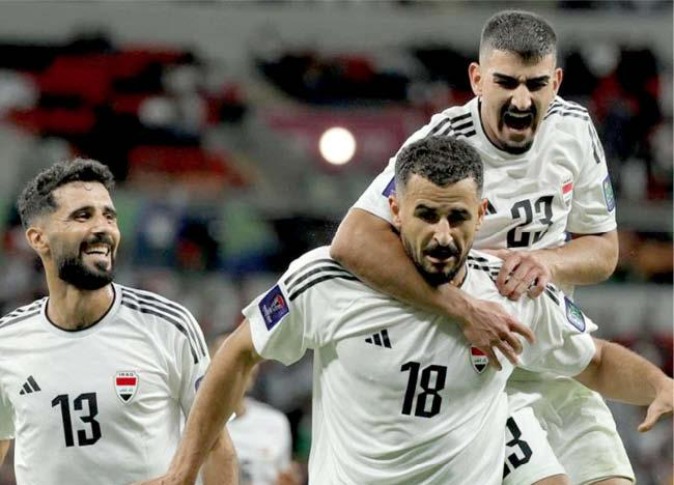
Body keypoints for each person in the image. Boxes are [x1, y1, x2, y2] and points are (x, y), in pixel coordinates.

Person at [140, 136, 672, 485]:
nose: (442, 234)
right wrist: (184, 470)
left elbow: (595, 360)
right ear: (394, 209)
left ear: (482, 214)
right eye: (426, 215)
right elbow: (238, 353)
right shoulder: (327, 279)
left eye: (458, 217)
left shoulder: (511, 290)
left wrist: (659, 385)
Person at [330, 10, 629, 485]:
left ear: (555, 82)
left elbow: (604, 250)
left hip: (551, 353)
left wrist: (547, 261)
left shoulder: (574, 128)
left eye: (535, 84)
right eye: (505, 82)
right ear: (477, 80)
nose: (521, 99)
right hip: (472, 366)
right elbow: (353, 239)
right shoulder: (441, 145)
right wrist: (462, 307)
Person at [0, 158, 236, 484]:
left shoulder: (169, 327)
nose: (103, 228)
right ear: (38, 239)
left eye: (109, 216)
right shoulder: (7, 342)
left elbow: (217, 447)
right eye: (83, 216)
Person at [208, 334, 302, 485]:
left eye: (247, 358)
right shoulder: (189, 425)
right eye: (229, 359)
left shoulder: (275, 423)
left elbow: (283, 478)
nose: (241, 367)